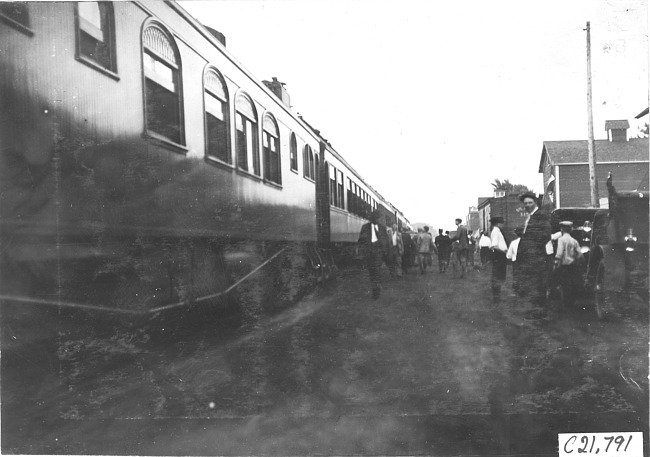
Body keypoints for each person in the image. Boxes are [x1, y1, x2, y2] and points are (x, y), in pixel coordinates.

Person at [517, 191, 551, 307]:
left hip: (537, 257)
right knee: (531, 285)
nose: (527, 205)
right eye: (525, 203)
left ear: (535, 202)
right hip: (529, 258)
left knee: (538, 284)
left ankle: (539, 314)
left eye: (530, 203)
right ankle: (535, 311)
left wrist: (534, 247)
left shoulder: (541, 216)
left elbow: (546, 234)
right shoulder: (529, 217)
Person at [358, 209, 389, 298]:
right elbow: (361, 240)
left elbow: (386, 240)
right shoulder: (365, 227)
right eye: (375, 218)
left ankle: (376, 287)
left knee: (376, 269)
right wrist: (362, 251)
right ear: (372, 218)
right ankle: (375, 284)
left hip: (378, 251)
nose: (377, 220)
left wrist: (385, 251)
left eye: (378, 218)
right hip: (369, 252)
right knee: (371, 271)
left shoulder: (382, 228)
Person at [553, 221, 583, 306]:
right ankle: (571, 302)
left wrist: (556, 264)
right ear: (571, 230)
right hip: (573, 267)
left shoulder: (561, 240)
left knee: (565, 285)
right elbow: (580, 255)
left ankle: (566, 304)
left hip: (564, 266)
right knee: (572, 285)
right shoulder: (574, 241)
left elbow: (559, 253)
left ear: (562, 229)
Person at [489, 217, 508, 303]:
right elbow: (494, 246)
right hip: (499, 256)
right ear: (498, 223)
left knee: (499, 276)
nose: (503, 224)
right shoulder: (496, 231)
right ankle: (496, 298)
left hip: (500, 256)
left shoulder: (497, 231)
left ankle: (497, 297)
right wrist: (505, 251)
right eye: (502, 223)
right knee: (497, 277)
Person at [506, 226, 525, 295]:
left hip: (516, 261)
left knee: (516, 276)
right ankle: (523, 290)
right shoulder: (526, 243)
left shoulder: (513, 243)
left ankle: (516, 291)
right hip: (524, 261)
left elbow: (508, 255)